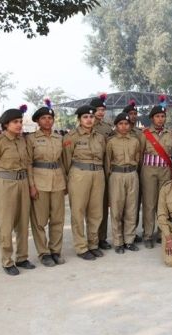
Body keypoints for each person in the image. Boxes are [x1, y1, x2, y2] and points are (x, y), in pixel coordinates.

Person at [0, 105, 35, 275]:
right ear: (6, 124)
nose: (19, 125)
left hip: (23, 183)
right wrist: (1, 183)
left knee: (23, 223)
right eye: (15, 122)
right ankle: (7, 261)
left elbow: (28, 163)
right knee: (6, 224)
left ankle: (22, 258)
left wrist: (30, 185)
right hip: (5, 185)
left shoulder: (22, 140)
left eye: (21, 121)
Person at [62, 105, 107, 260]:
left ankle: (93, 244)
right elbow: (66, 160)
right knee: (78, 211)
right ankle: (81, 247)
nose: (89, 120)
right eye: (85, 117)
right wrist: (69, 179)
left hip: (98, 174)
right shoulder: (71, 136)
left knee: (96, 212)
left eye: (91, 117)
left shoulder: (100, 137)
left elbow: (105, 159)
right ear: (79, 119)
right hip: (79, 175)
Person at [26, 99, 66, 267]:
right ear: (37, 121)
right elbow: (28, 163)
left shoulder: (59, 137)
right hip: (40, 181)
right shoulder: (31, 139)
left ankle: (55, 250)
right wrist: (31, 185)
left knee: (58, 219)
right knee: (40, 220)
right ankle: (44, 253)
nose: (47, 121)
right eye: (43, 118)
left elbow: (63, 160)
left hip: (57, 181)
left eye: (50, 118)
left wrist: (66, 181)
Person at [105, 112, 141, 254]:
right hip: (117, 175)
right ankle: (118, 241)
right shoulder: (111, 142)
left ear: (130, 125)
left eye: (126, 124)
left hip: (132, 174)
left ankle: (129, 240)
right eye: (121, 124)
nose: (124, 126)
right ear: (116, 126)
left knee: (131, 209)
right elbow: (108, 161)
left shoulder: (135, 141)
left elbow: (138, 158)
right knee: (116, 210)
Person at [141, 95, 172, 249]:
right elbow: (139, 153)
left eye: (162, 116)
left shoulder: (169, 134)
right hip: (149, 170)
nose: (160, 119)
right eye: (157, 116)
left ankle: (162, 233)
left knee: (164, 203)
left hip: (165, 171)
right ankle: (148, 234)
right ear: (152, 118)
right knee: (149, 204)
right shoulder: (145, 134)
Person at [90, 93, 113, 250]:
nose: (100, 112)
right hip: (91, 167)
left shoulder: (106, 127)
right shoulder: (87, 125)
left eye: (102, 110)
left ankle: (102, 238)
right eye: (98, 109)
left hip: (105, 168)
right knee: (91, 207)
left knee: (104, 206)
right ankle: (92, 238)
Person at [122, 99, 146, 243]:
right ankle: (122, 234)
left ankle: (131, 232)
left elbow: (141, 153)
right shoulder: (115, 134)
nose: (133, 116)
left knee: (134, 205)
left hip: (136, 172)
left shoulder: (139, 133)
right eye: (130, 113)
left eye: (135, 113)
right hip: (120, 173)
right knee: (121, 205)